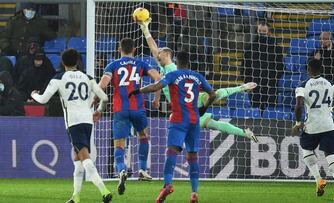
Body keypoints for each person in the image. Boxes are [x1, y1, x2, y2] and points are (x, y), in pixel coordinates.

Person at [139, 19, 258, 142]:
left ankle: (241, 88)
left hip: (187, 107)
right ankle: (244, 133)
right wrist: (145, 29)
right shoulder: (165, 67)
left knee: (213, 98)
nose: (157, 53)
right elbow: (153, 49)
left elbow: (157, 82)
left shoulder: (172, 70)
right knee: (214, 124)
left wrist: (139, 91)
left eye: (160, 52)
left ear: (167, 54)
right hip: (190, 108)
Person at [128, 51, 217, 203]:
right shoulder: (197, 77)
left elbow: (156, 85)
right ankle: (194, 192)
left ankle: (167, 185)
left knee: (171, 152)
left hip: (179, 119)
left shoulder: (173, 75)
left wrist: (138, 91)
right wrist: (204, 108)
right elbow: (213, 94)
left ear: (177, 61)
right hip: (194, 119)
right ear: (189, 62)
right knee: (192, 156)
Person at [31, 49, 112, 203]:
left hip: (74, 122)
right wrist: (99, 111)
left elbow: (43, 100)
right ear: (77, 61)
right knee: (77, 158)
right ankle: (76, 196)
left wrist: (34, 94)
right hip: (87, 121)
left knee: (84, 156)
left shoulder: (59, 78)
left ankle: (104, 191)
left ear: (62, 63)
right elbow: (105, 97)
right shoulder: (88, 78)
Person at [97, 38, 162, 194]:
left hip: (120, 109)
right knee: (143, 136)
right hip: (138, 108)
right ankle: (142, 170)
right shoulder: (141, 64)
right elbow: (159, 78)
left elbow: (102, 86)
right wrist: (157, 98)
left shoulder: (112, 65)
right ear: (134, 50)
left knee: (119, 144)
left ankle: (121, 170)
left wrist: (95, 100)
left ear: (119, 49)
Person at [292, 59, 334, 201]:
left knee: (306, 150)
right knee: (331, 155)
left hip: (312, 126)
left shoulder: (303, 85)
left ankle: (318, 179)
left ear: (308, 68)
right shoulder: (329, 83)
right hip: (328, 125)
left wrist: (298, 123)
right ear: (321, 68)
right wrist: (332, 110)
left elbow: (298, 106)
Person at [243, 21, 284, 111]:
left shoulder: (276, 48)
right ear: (257, 31)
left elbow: (280, 68)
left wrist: (273, 80)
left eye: (264, 31)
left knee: (271, 111)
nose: (261, 33)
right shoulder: (249, 48)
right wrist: (247, 83)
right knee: (255, 110)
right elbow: (245, 67)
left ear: (269, 32)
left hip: (271, 85)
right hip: (254, 85)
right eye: (260, 31)